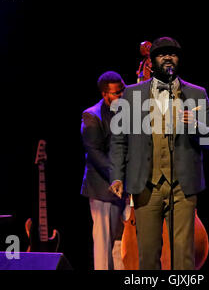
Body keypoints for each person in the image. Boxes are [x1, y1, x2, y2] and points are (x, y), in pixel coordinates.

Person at [109, 37, 209, 270]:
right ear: (152, 61)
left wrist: (196, 125)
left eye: (174, 54)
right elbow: (119, 139)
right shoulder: (130, 94)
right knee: (147, 258)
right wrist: (117, 175)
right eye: (161, 54)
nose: (168, 58)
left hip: (183, 186)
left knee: (184, 258)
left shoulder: (198, 93)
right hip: (146, 185)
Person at [80, 71, 127, 270]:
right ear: (104, 94)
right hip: (102, 189)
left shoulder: (127, 112)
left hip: (126, 187)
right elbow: (95, 154)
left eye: (122, 91)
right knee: (103, 244)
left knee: (121, 243)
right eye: (116, 93)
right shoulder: (91, 115)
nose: (121, 96)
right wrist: (119, 177)